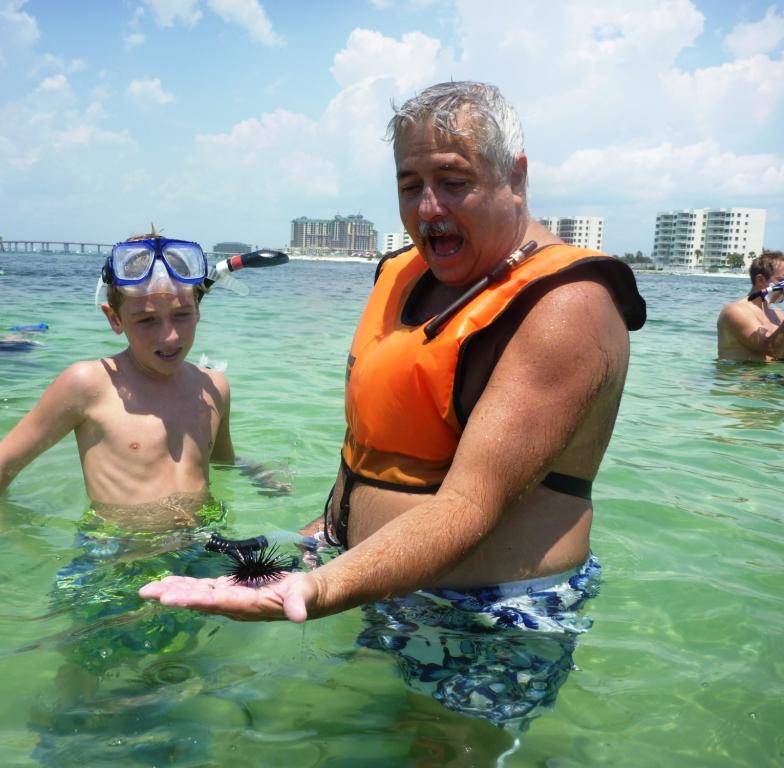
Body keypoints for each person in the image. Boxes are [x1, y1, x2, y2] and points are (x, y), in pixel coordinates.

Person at [139, 81, 647, 732]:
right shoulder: (407, 273)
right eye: (410, 185)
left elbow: (468, 505)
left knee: (438, 750)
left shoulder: (566, 308)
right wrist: (318, 544)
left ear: (514, 177)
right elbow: (380, 455)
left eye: (453, 181)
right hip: (365, 568)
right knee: (157, 596)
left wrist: (322, 587)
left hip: (488, 612)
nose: (429, 207)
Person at [0, 233, 237, 558]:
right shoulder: (88, 384)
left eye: (182, 315)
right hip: (115, 554)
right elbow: (2, 462)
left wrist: (259, 474)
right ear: (115, 319)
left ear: (198, 309)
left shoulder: (214, 386)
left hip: (202, 545)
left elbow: (220, 462)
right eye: (146, 320)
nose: (169, 337)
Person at [717, 249, 784, 361]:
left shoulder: (778, 314)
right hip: (738, 376)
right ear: (761, 280)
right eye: (781, 281)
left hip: (769, 376)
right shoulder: (735, 311)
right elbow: (772, 349)